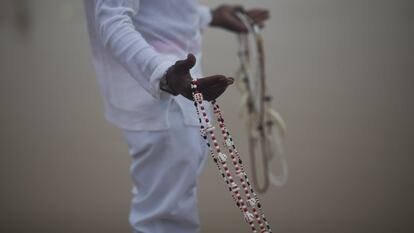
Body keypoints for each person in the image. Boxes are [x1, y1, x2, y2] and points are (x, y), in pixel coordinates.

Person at [84, 1, 269, 232]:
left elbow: (159, 9)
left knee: (174, 213)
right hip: (163, 100)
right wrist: (163, 75)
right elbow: (112, 19)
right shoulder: (166, 85)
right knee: (164, 221)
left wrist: (208, 16)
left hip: (179, 92)